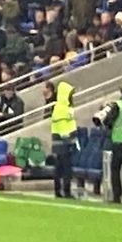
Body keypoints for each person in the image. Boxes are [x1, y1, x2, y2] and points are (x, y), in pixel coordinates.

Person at [48, 69, 77, 200]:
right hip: (64, 143)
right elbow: (65, 127)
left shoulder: (59, 107)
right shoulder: (62, 108)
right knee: (65, 170)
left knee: (59, 169)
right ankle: (65, 191)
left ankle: (58, 190)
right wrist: (71, 140)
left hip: (60, 143)